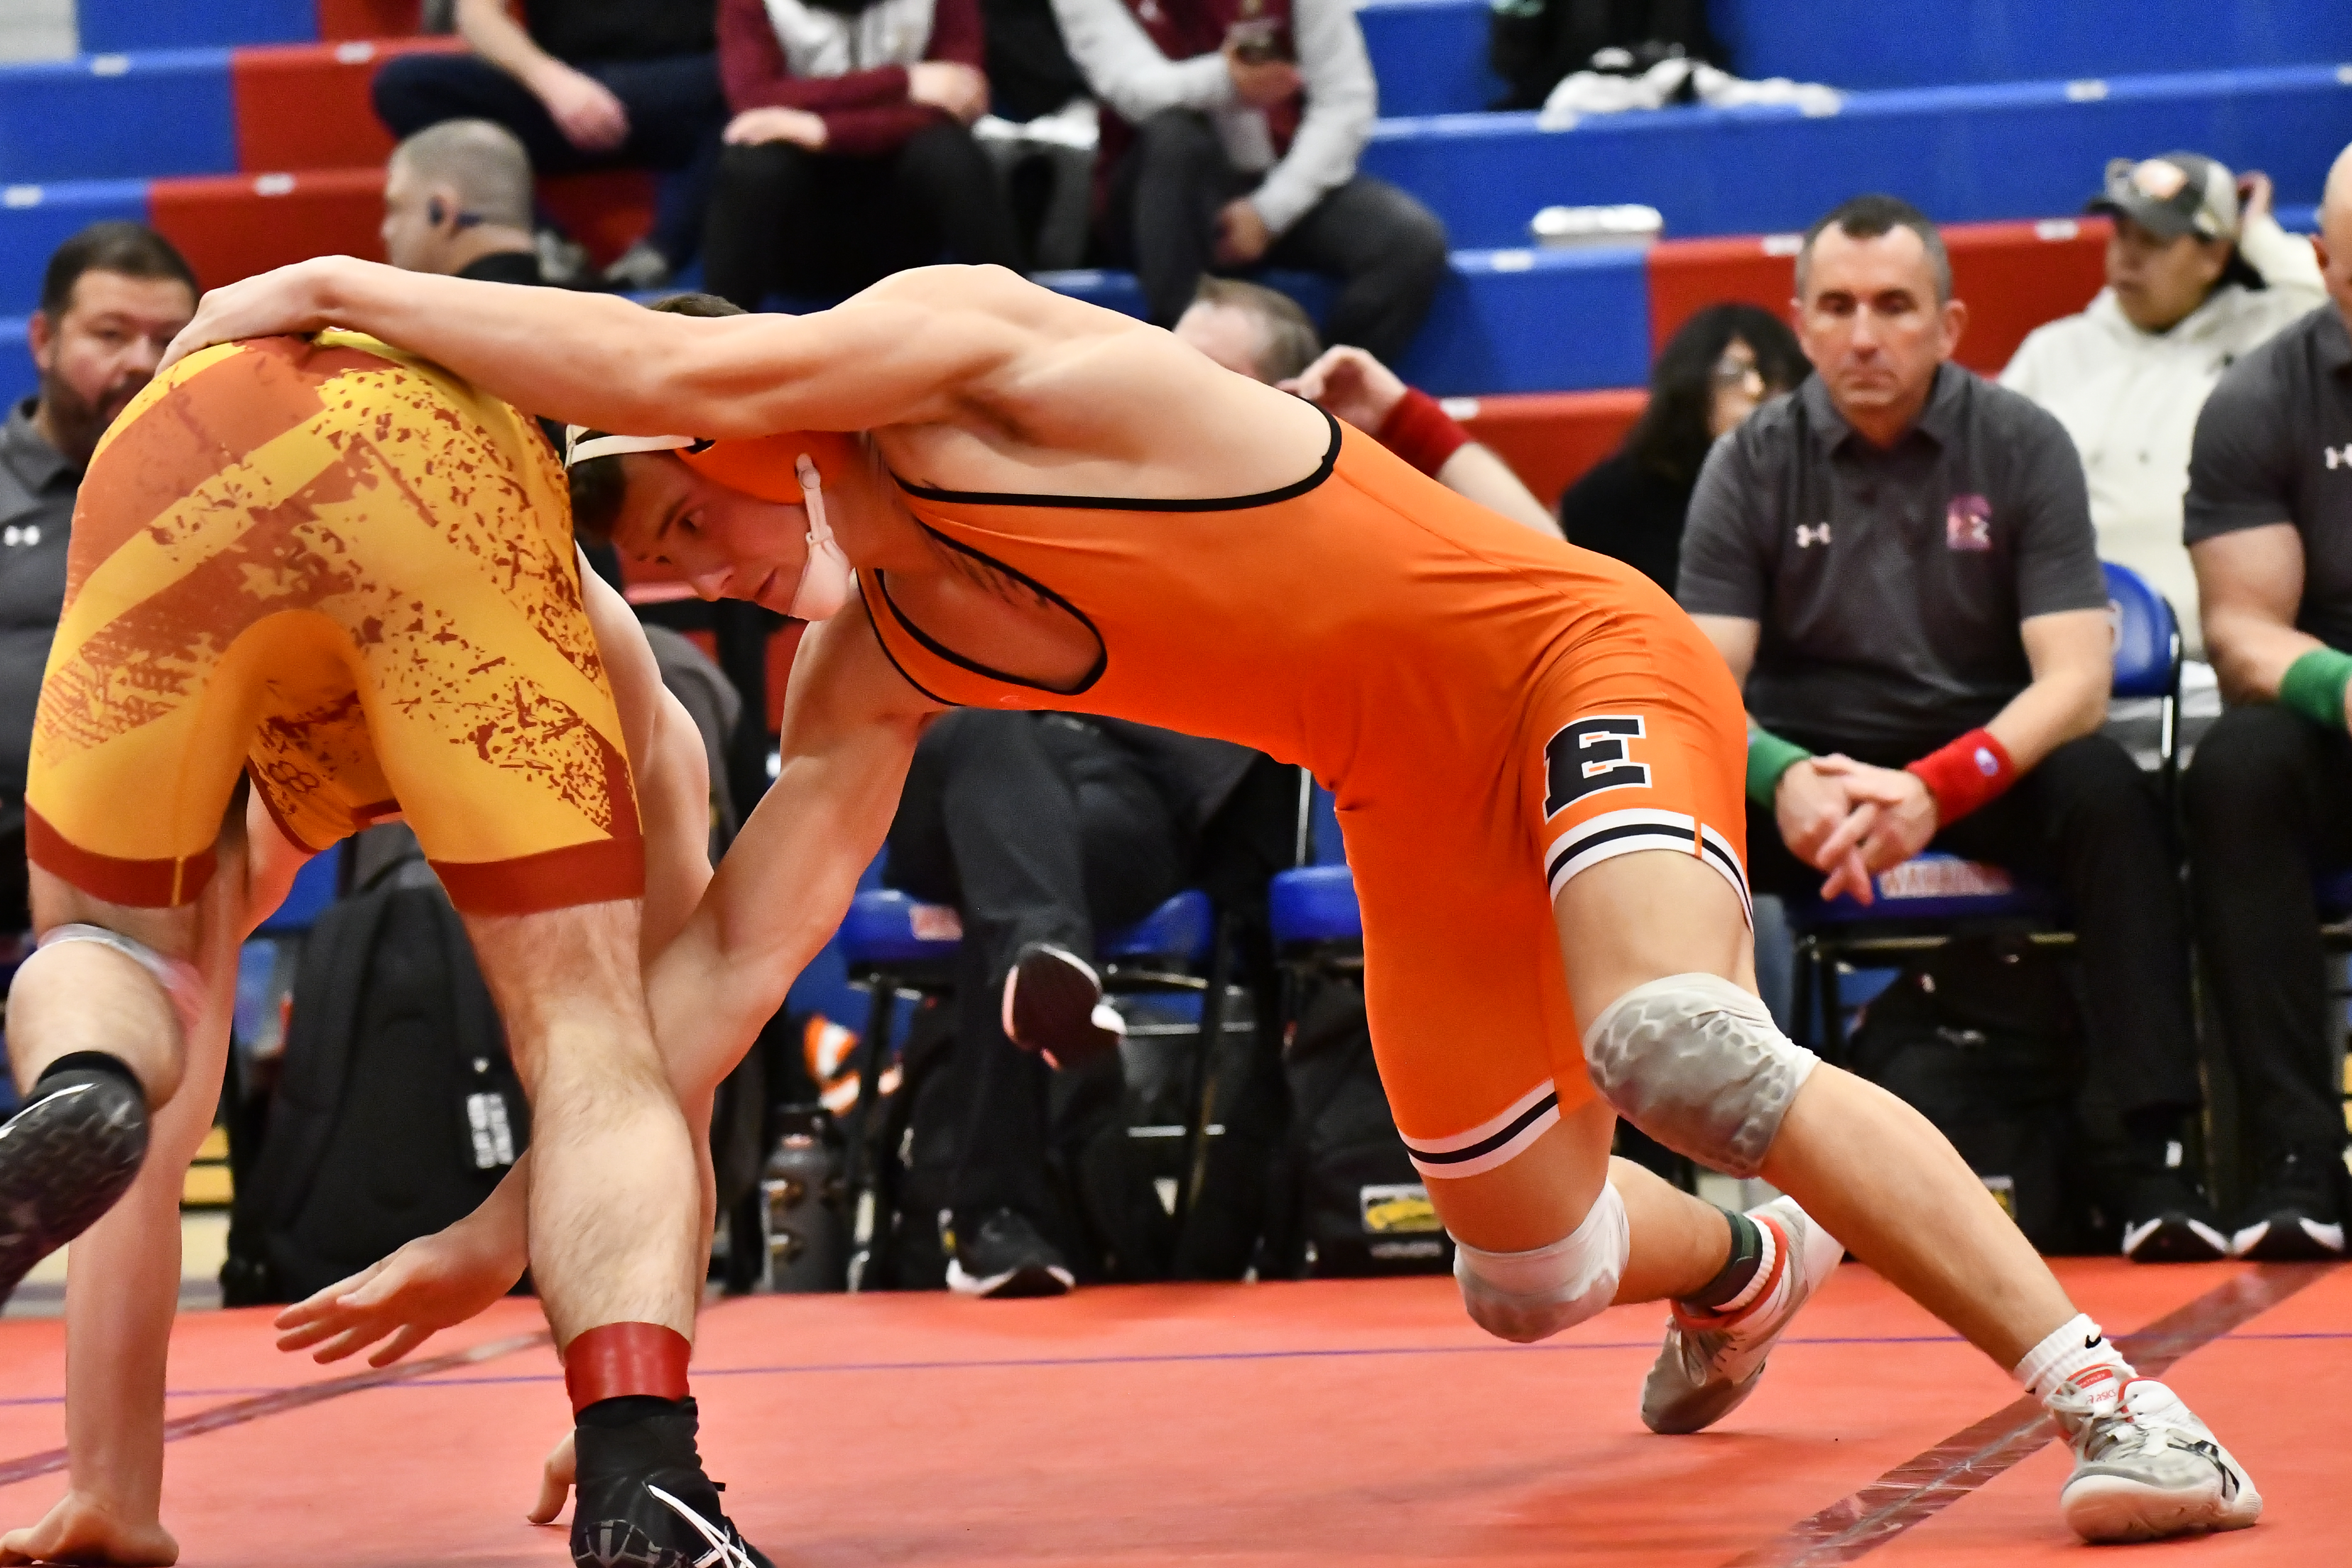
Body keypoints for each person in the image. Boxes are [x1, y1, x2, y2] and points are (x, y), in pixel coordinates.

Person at [170, 254, 2263, 1547]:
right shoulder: (865, 660)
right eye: (641, 557)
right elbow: (720, 969)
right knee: (1522, 1280)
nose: (679, 566)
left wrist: (339, 283)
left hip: (1573, 662)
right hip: (1411, 789)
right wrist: (500, 1230)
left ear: (718, 408)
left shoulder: (956, 351)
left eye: (659, 505)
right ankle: (1739, 1261)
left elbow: (633, 336)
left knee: (1675, 1038)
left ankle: (2119, 1399)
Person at [0, 332, 767, 1568]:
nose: (704, 570)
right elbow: (667, 1068)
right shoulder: (619, 667)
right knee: (591, 1030)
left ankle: (73, 1066)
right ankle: (648, 1481)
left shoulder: (289, 795)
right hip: (433, 477)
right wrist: (625, 1379)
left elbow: (161, 1113)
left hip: (174, 443)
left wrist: (115, 1486)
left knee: (126, 975)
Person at [1677, 194, 2223, 1267]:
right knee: (1660, 820)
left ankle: (2156, 1156)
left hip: (1983, 760)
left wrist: (1935, 786)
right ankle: (1697, 1189)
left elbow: (2071, 683)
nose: (1864, 334)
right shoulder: (1750, 460)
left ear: (1948, 325)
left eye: (1893, 305)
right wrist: (1783, 776)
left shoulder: (2020, 442)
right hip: (1810, 767)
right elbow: (1695, 682)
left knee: (2112, 795)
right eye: (1835, 307)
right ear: (1800, 322)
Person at [887, 707, 1253, 1296]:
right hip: (956, 762)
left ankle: (994, 1218)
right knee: (989, 737)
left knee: (1014, 860)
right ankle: (1044, 964)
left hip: (1121, 784)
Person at [2177, 141, 2352, 1263]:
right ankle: (2298, 1154)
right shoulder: (2259, 398)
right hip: (2337, 719)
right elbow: (2240, 631)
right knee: (2236, 768)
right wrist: (2340, 686)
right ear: (2327, 263)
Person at [2003, 152, 2325, 651]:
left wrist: (2260, 236)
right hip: (2071, 657)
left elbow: (2340, 305)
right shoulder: (2053, 352)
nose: (2128, 257)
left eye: (2153, 241)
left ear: (2215, 256)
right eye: (2122, 235)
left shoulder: (2272, 339)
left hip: (2235, 657)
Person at [1054, 0, 1448, 363]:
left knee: (1409, 243)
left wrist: (1268, 213)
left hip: (1270, 179)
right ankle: (1182, 385)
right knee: (1174, 137)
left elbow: (1345, 99)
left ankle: (1316, 403)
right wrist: (1227, 81)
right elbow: (1132, 90)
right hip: (1155, 199)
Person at [0, 225, 195, 936]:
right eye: (110, 335)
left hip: (169, 890)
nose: (141, 363)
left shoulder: (235, 500)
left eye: (168, 338)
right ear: (45, 340)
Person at [372, 0, 728, 289]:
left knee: (742, 91)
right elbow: (477, 16)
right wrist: (550, 80)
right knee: (406, 84)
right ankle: (545, 243)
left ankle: (664, 256)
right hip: (556, 89)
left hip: (682, 90)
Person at [701, 0, 1026, 309]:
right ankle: (713, 346)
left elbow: (962, 100)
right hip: (799, 234)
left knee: (949, 154)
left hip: (902, 231)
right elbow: (754, 100)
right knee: (754, 163)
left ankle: (1026, 321)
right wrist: (905, 83)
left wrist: (822, 130)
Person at [1174, 276, 1557, 534]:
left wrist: (1407, 418)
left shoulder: (1340, 523)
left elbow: (1550, 556)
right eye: (1168, 361)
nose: (1172, 386)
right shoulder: (1119, 486)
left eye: (1212, 372)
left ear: (1286, 400)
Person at [1560, 303, 1806, 593]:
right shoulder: (1608, 503)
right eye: (1732, 375)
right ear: (1690, 387)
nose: (1755, 392)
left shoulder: (1821, 484)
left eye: (1773, 374)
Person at [381, 119, 549, 286]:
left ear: (442, 211)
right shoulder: (572, 306)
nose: (385, 232)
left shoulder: (441, 312)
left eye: (397, 208)